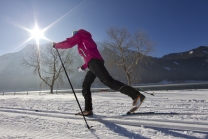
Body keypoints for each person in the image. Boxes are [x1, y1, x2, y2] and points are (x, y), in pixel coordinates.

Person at [53, 29, 145, 116]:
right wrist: (83, 67)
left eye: (74, 36)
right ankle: (88, 110)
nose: (73, 37)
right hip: (92, 63)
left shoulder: (81, 34)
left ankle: (136, 96)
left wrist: (56, 45)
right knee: (86, 84)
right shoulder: (83, 42)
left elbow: (69, 43)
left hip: (94, 62)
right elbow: (88, 56)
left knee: (108, 81)